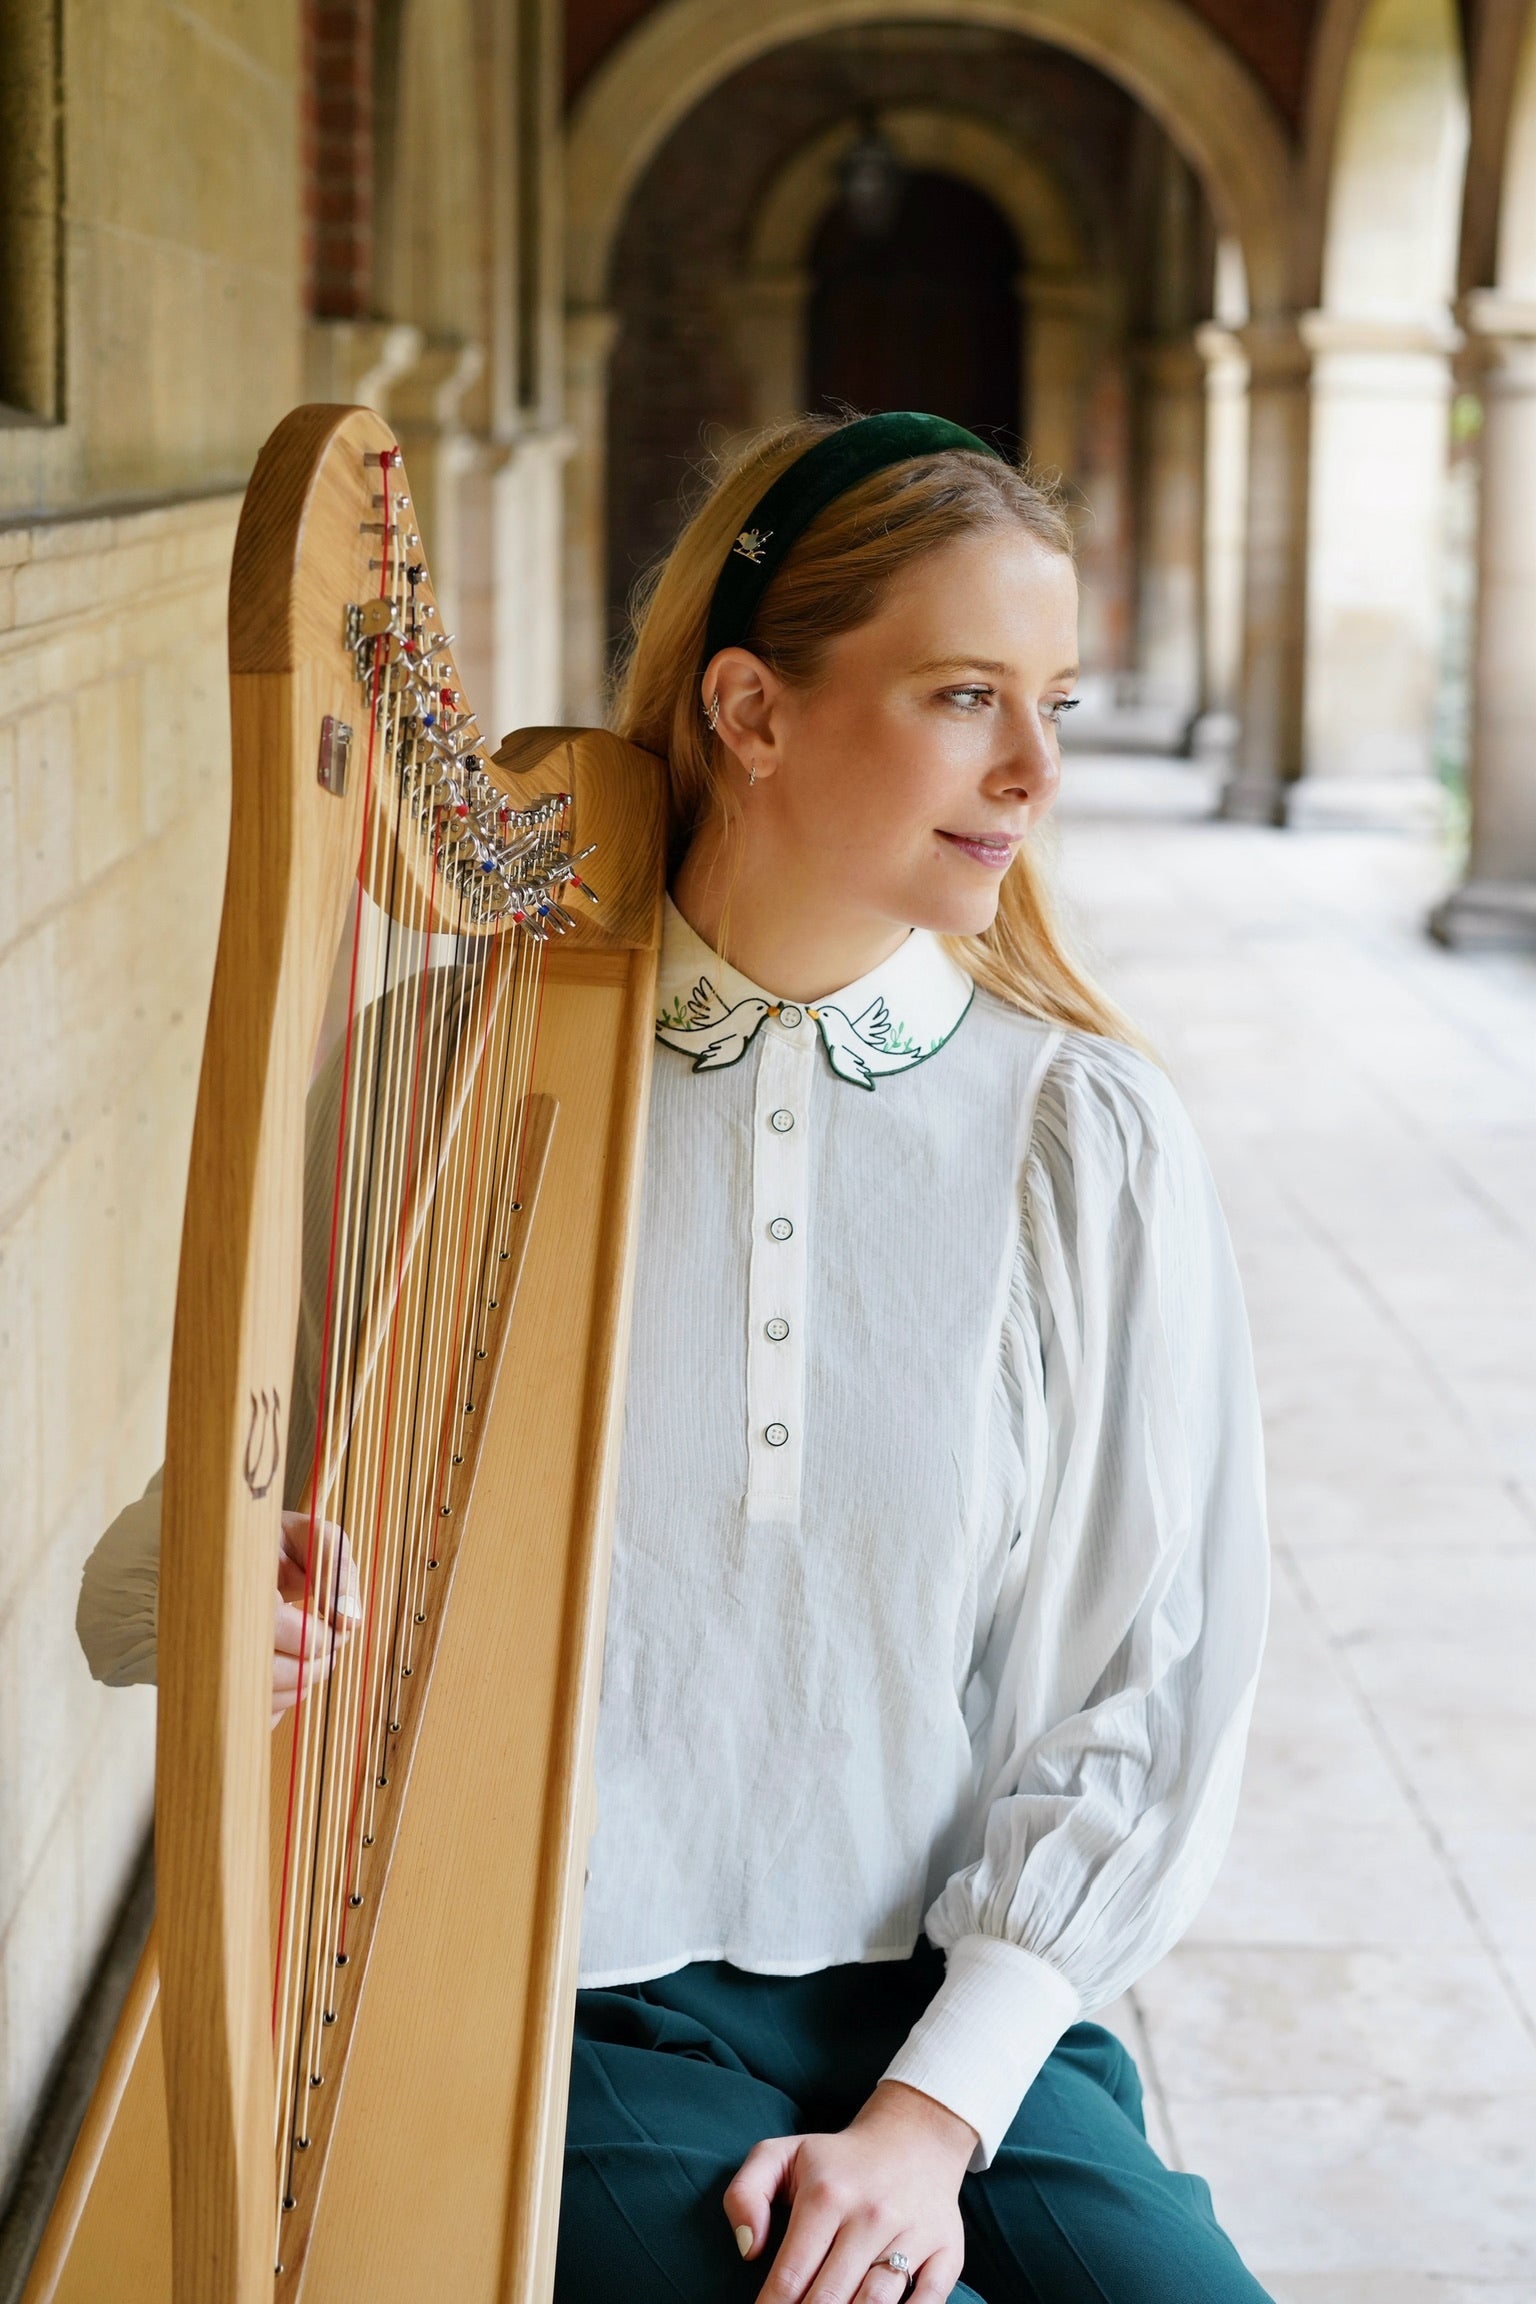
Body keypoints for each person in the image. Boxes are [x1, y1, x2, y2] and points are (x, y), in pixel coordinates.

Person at [79, 411, 1272, 2303]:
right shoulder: (449, 1077)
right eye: (969, 695)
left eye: (1055, 697)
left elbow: (1152, 1678)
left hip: (948, 2020)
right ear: (751, 708)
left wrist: (928, 2121)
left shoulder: (1082, 1137)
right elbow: (139, 1592)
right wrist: (239, 1590)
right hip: (564, 2003)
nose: (1037, 768)